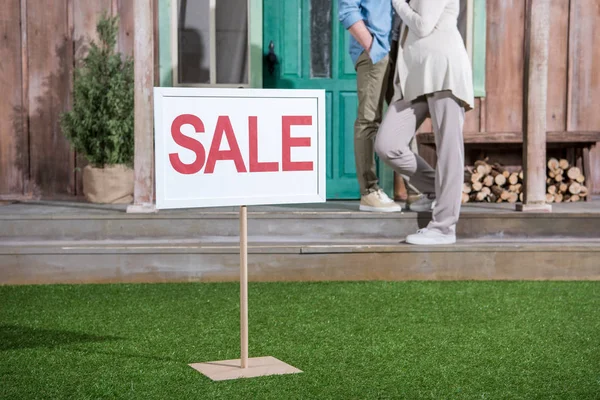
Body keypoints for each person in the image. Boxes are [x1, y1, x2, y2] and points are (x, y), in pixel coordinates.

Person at [375, 0, 474, 244]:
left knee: (449, 151)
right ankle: (434, 189)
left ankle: (443, 228)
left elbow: (423, 25)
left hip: (443, 71)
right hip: (415, 78)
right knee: (387, 145)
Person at [338, 0, 402, 212]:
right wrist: (373, 47)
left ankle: (417, 190)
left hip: (399, 49)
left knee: (403, 115)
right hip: (377, 49)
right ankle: (369, 191)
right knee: (368, 120)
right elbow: (347, 10)